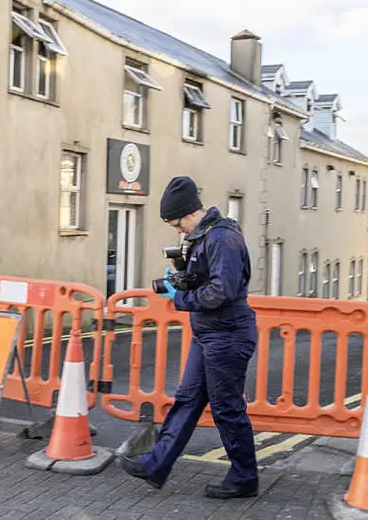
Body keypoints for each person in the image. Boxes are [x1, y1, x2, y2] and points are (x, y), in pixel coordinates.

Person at [119, 175, 259, 499]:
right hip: (209, 334)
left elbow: (221, 292)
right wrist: (181, 281)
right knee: (187, 401)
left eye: (175, 223)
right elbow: (207, 282)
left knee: (227, 409)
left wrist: (177, 298)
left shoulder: (222, 238)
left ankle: (245, 477)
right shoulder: (206, 237)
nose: (176, 229)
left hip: (227, 335)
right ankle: (156, 463)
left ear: (187, 213)